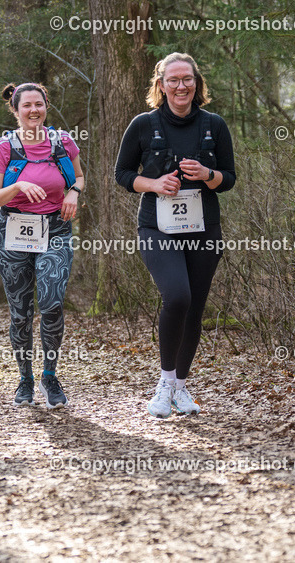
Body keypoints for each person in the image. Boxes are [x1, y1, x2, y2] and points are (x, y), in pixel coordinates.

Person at [114, 52, 236, 418]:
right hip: (157, 227)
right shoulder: (142, 124)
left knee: (195, 308)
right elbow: (121, 174)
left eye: (187, 79)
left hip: (204, 229)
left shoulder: (214, 124)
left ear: (196, 84)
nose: (181, 86)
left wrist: (207, 174)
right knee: (178, 297)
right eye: (173, 80)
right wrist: (153, 183)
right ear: (161, 85)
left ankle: (181, 387)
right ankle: (165, 383)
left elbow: (228, 178)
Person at [0, 83, 84, 409]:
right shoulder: (3, 148)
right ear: (15, 110)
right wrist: (18, 186)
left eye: (38, 104)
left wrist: (74, 193)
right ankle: (25, 378)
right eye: (26, 106)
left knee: (52, 301)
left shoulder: (63, 142)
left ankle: (49, 375)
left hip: (55, 229)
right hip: (13, 230)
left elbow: (79, 177)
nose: (33, 111)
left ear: (46, 106)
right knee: (21, 312)